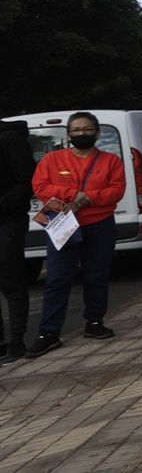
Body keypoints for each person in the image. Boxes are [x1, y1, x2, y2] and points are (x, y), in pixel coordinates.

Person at [27, 112, 126, 358]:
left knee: (97, 275)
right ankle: (48, 333)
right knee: (57, 279)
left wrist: (91, 198)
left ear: (97, 132)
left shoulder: (111, 161)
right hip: (62, 224)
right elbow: (40, 187)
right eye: (76, 130)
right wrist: (72, 194)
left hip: (100, 224)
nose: (82, 134)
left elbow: (117, 190)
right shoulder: (52, 159)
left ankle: (94, 323)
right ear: (69, 133)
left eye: (87, 129)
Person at [0, 119, 35, 365]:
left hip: (8, 220)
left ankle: (16, 342)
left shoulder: (9, 138)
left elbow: (26, 181)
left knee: (11, 280)